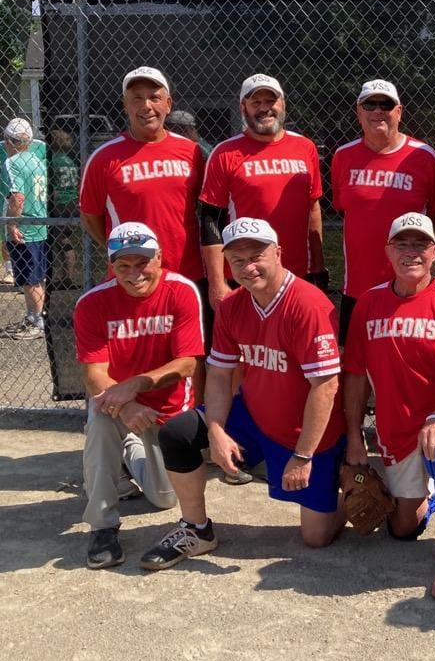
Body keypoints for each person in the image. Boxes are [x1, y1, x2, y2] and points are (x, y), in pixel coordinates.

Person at [145, 217, 345, 568]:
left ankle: (345, 486)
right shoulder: (233, 305)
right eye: (237, 260)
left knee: (316, 537)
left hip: (307, 431)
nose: (248, 267)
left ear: (278, 253)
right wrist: (216, 430)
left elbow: (326, 387)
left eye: (256, 256)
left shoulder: (307, 304)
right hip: (256, 414)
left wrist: (303, 456)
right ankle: (196, 529)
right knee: (178, 434)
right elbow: (220, 375)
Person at [341, 212, 435, 599]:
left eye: (420, 244)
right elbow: (355, 375)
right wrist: (355, 437)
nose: (411, 252)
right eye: (402, 244)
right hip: (396, 428)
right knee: (403, 530)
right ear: (388, 251)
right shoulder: (369, 303)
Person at [74, 222, 205, 568]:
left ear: (159, 257)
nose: (134, 274)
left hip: (167, 410)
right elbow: (94, 375)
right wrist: (127, 404)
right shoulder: (92, 303)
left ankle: (130, 451)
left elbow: (187, 363)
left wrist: (137, 385)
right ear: (111, 266)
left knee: (164, 500)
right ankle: (102, 526)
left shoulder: (181, 291)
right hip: (118, 405)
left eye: (142, 262)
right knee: (100, 422)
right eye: (124, 265)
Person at [198, 74, 327, 311]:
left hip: (297, 273)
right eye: (255, 103)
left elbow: (313, 208)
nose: (264, 108)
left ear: (283, 104)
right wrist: (217, 283)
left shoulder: (305, 147)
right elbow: (210, 220)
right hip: (245, 276)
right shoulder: (224, 153)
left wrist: (317, 267)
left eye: (270, 101)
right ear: (243, 108)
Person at [331, 79, 435, 341]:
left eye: (386, 105)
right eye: (370, 104)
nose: (378, 111)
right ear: (359, 112)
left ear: (399, 112)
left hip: (408, 286)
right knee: (355, 361)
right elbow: (343, 208)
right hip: (357, 286)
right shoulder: (343, 156)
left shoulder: (423, 156)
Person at [79, 67, 206, 287]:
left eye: (154, 98)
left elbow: (207, 210)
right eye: (137, 98)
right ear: (125, 105)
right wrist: (123, 252)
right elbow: (90, 216)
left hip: (188, 275)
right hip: (133, 279)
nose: (146, 106)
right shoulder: (104, 158)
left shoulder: (191, 152)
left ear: (168, 104)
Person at [0, 118, 49, 339]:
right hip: (40, 224)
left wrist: (12, 223)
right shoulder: (37, 160)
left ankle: (38, 321)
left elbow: (17, 197)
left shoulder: (12, 162)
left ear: (8, 141)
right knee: (33, 278)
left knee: (30, 280)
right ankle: (32, 316)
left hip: (25, 227)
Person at [0, 120, 46, 280]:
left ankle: (34, 274)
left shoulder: (41, 146)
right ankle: (10, 270)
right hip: (8, 197)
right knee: (7, 235)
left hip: (34, 196)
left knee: (34, 233)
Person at [47, 127, 81, 287]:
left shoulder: (53, 160)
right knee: (62, 239)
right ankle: (65, 276)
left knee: (62, 240)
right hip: (72, 202)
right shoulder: (70, 160)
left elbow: (50, 184)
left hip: (60, 203)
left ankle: (67, 277)